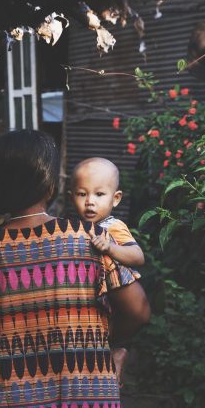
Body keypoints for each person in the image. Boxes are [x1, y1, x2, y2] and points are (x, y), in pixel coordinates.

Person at [0, 129, 150, 408]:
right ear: (51, 187)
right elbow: (138, 311)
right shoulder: (89, 238)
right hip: (89, 399)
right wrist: (100, 347)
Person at [69, 158, 146, 381]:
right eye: (82, 194)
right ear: (71, 197)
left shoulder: (113, 226)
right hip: (89, 298)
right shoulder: (74, 227)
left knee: (101, 342)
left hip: (114, 295)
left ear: (116, 198)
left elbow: (137, 255)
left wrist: (110, 247)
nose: (90, 202)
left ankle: (117, 351)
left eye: (99, 194)